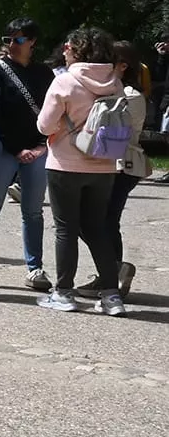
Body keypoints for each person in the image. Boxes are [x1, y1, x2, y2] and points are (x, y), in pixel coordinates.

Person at [35, 28, 126, 315]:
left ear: (78, 50)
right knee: (97, 227)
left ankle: (63, 292)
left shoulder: (65, 81)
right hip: (105, 163)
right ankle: (112, 296)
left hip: (66, 163)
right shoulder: (115, 83)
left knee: (66, 229)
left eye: (68, 46)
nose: (64, 49)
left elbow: (44, 126)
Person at [0, 18, 52, 292]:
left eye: (18, 39)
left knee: (33, 211)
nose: (11, 45)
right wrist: (17, 149)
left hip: (37, 149)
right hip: (3, 151)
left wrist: (41, 146)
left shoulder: (44, 74)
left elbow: (52, 112)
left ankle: (35, 268)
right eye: (7, 39)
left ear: (32, 42)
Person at [93, 41, 150, 298]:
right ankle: (111, 271)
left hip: (122, 165)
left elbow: (117, 131)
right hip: (109, 164)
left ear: (123, 66)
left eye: (108, 61)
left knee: (104, 221)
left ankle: (112, 272)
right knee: (101, 221)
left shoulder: (131, 96)